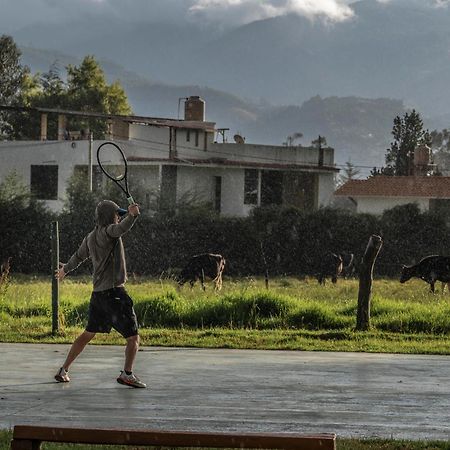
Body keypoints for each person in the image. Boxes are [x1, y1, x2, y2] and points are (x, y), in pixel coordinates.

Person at [54, 199, 146, 388]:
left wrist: (65, 270)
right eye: (117, 215)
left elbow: (78, 256)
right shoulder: (109, 231)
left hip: (98, 296)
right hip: (115, 294)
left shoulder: (90, 237)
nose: (119, 218)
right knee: (133, 338)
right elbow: (121, 229)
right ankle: (127, 374)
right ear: (110, 217)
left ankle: (63, 370)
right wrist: (132, 216)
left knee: (88, 334)